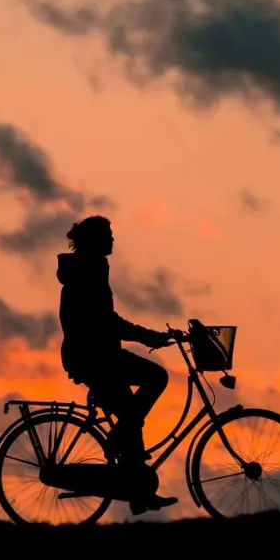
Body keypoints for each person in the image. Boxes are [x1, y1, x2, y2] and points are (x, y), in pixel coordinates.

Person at [56, 215, 179, 515]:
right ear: (97, 241)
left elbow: (107, 322)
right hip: (94, 358)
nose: (113, 240)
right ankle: (118, 443)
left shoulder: (90, 269)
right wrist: (150, 336)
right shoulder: (88, 272)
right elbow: (107, 323)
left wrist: (148, 336)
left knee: (131, 414)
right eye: (108, 235)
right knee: (154, 380)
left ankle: (139, 492)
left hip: (98, 356)